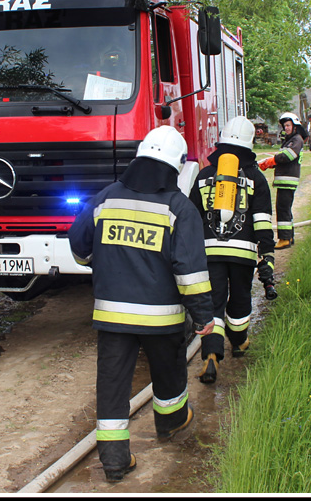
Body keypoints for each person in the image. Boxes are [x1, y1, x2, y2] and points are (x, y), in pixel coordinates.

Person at [68, 125, 215, 483]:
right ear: (174, 166)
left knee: (112, 387)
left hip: (112, 316)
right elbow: (189, 270)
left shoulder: (104, 198)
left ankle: (116, 461)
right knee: (169, 375)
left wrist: (102, 265)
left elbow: (78, 246)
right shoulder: (179, 207)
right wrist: (203, 316)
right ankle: (171, 423)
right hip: (161, 319)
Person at [189, 117, 276, 385]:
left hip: (209, 252)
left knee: (213, 301)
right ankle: (238, 342)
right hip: (243, 254)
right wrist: (267, 257)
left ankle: (211, 356)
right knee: (239, 298)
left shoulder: (205, 176)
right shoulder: (256, 178)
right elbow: (262, 221)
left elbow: (192, 216)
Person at [259, 112, 307, 250]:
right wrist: (270, 164)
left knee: (282, 209)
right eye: (284, 125)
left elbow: (287, 156)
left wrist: (271, 160)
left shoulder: (296, 140)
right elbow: (282, 160)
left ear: (295, 126)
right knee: (286, 209)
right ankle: (289, 236)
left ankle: (284, 238)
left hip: (288, 181)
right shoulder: (291, 140)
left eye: (288, 125)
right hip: (285, 180)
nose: (286, 128)